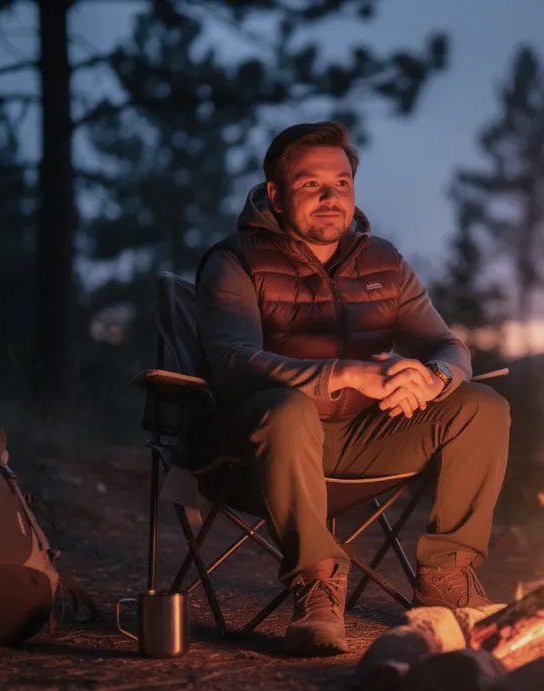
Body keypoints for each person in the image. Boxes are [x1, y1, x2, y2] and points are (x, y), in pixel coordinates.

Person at [194, 121, 510, 656]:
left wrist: (432, 379)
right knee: (289, 410)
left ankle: (447, 577)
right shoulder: (235, 262)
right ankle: (317, 585)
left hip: (367, 440)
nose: (330, 198)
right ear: (276, 194)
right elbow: (232, 362)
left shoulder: (383, 262)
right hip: (260, 451)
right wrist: (342, 373)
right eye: (311, 184)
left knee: (481, 405)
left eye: (341, 183)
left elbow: (448, 345)